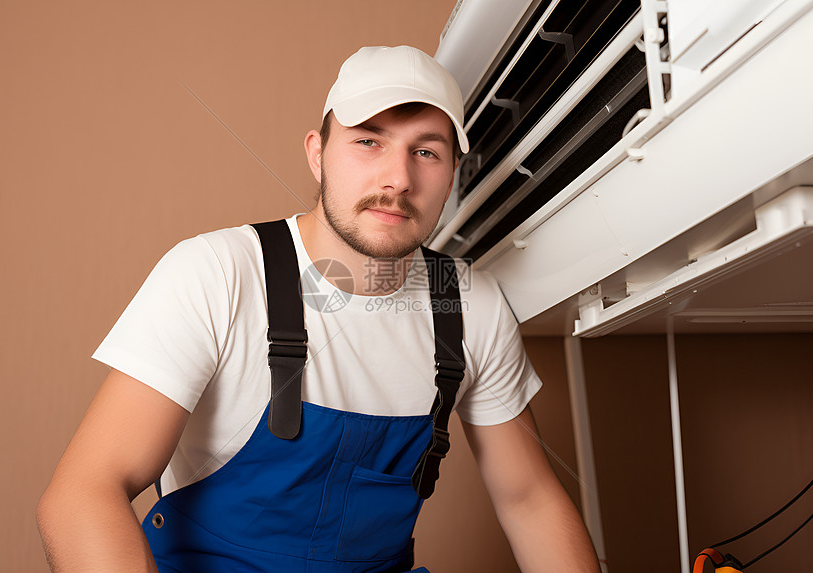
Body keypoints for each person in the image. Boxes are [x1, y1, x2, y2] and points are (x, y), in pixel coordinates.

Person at [37, 45, 601, 572]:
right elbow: (84, 492)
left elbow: (529, 501)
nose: (398, 179)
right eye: (368, 141)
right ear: (317, 154)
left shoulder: (469, 305)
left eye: (426, 152)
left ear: (452, 173)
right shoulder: (217, 272)